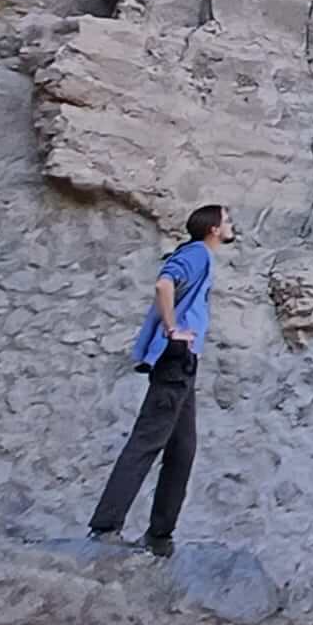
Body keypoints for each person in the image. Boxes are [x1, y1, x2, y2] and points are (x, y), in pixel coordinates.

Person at [88, 203, 231, 555]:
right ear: (213, 228)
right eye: (227, 220)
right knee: (147, 441)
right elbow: (164, 284)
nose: (231, 226)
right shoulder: (197, 253)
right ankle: (106, 526)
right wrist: (173, 329)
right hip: (176, 356)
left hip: (185, 362)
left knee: (183, 449)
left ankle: (160, 536)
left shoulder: (202, 256)